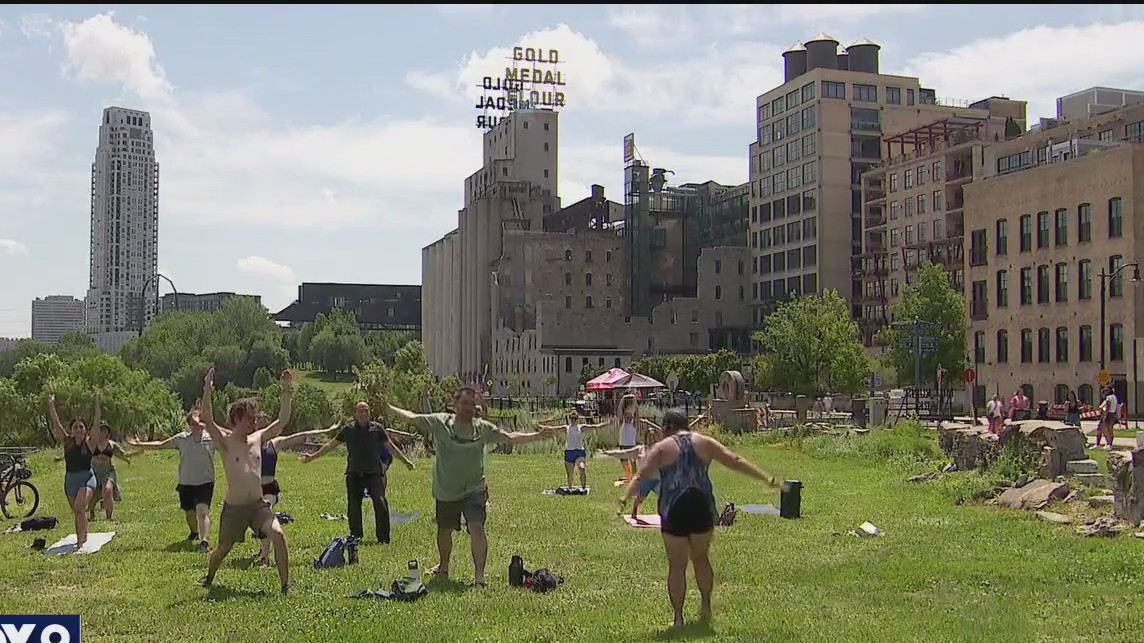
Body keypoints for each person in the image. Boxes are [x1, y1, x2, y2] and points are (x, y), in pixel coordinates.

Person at [625, 408, 780, 629]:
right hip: (702, 506)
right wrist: (764, 476)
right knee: (701, 558)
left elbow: (641, 476)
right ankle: (705, 606)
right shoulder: (705, 442)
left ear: (667, 427)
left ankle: (678, 619)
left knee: (677, 566)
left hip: (673, 508)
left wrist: (624, 498)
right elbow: (733, 460)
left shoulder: (662, 447)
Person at [387, 386, 554, 587]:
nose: (468, 407)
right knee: (444, 530)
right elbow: (413, 418)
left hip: (474, 488)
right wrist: (389, 407)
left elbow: (509, 437)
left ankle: (479, 576)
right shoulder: (440, 422)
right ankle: (444, 566)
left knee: (476, 526)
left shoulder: (482, 428)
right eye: (464, 403)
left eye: (472, 404)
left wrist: (537, 435)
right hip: (446, 489)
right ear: (455, 405)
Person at [198, 367, 294, 594]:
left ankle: (285, 586)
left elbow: (282, 421)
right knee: (222, 549)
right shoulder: (225, 442)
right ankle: (209, 578)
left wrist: (286, 390)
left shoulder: (257, 438)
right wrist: (207, 390)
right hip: (234, 509)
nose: (254, 422)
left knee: (278, 535)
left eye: (254, 418)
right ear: (237, 419)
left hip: (258, 506)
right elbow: (208, 420)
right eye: (249, 419)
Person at [301, 401, 414, 545]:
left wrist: (406, 462)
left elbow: (390, 447)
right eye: (360, 411)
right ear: (355, 414)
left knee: (380, 503)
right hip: (354, 473)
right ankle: (356, 537)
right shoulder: (348, 430)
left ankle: (384, 539)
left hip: (374, 473)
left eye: (365, 410)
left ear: (369, 413)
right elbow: (330, 445)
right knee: (353, 507)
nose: (363, 413)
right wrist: (312, 457)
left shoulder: (377, 429)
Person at [251, 413, 338, 567]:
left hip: (270, 488)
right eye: (259, 425)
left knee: (266, 514)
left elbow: (298, 436)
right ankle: (263, 548)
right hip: (253, 489)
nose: (262, 428)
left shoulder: (275, 443)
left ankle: (264, 557)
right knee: (257, 522)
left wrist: (325, 430)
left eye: (265, 425)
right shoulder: (250, 443)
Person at [129, 407, 217, 553]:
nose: (198, 424)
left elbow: (230, 443)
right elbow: (160, 445)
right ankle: (195, 532)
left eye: (200, 421)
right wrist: (140, 445)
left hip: (205, 482)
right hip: (186, 482)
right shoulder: (181, 439)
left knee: (202, 512)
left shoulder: (212, 438)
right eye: (194, 421)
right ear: (189, 424)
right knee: (190, 513)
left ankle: (204, 541)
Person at [46, 393, 96, 550]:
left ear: (86, 430)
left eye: (82, 427)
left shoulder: (90, 443)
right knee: (78, 512)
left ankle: (80, 543)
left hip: (86, 478)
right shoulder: (67, 442)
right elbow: (56, 423)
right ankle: (83, 535)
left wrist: (97, 404)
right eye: (76, 427)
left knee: (80, 507)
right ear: (71, 430)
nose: (79, 429)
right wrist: (51, 404)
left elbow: (96, 425)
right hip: (70, 481)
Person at [537, 409, 608, 488]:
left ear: (577, 419)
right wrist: (541, 427)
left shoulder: (581, 427)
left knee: (582, 468)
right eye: (572, 418)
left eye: (575, 418)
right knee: (570, 474)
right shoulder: (566, 428)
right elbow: (554, 429)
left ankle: (583, 488)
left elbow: (595, 427)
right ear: (569, 418)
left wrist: (606, 424)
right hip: (569, 452)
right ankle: (570, 488)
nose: (573, 420)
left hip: (579, 451)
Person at [88, 420, 132, 521]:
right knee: (92, 496)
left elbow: (123, 454)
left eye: (104, 430)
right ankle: (91, 513)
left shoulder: (111, 445)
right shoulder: (90, 443)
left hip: (108, 472)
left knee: (107, 490)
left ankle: (108, 517)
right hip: (94, 472)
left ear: (107, 432)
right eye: (99, 429)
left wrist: (137, 451)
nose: (101, 432)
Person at [617, 394, 641, 480]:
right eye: (627, 416)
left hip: (631, 445)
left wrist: (634, 399)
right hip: (623, 444)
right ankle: (629, 476)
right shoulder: (622, 423)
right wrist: (623, 399)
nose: (629, 417)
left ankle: (635, 476)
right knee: (624, 461)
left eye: (630, 416)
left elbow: (637, 411)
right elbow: (619, 410)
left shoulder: (634, 424)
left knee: (633, 461)